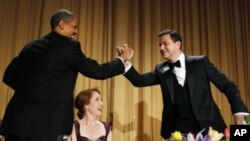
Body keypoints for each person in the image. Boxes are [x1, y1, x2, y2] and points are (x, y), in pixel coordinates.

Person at [0, 9, 133, 141]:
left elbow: (8, 76)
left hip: (14, 124)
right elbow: (97, 71)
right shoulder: (69, 46)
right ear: (62, 25)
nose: (76, 31)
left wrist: (32, 92)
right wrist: (122, 59)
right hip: (45, 127)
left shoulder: (29, 46)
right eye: (74, 27)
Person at [120, 29, 249, 139]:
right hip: (180, 133)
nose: (161, 48)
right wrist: (125, 62)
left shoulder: (200, 62)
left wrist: (239, 112)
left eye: (165, 44)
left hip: (210, 128)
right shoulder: (161, 69)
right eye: (159, 45)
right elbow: (140, 81)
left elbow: (227, 85)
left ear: (178, 44)